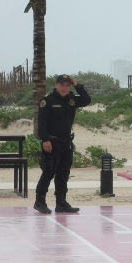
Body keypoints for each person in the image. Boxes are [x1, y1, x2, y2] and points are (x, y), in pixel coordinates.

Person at [34, 74, 91, 214]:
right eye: (62, 85)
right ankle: (39, 201)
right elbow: (41, 122)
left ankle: (61, 203)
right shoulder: (47, 101)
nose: (64, 88)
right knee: (48, 172)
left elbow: (86, 100)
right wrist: (45, 139)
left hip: (66, 142)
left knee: (63, 173)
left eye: (67, 85)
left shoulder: (71, 99)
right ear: (56, 85)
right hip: (52, 142)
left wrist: (78, 86)